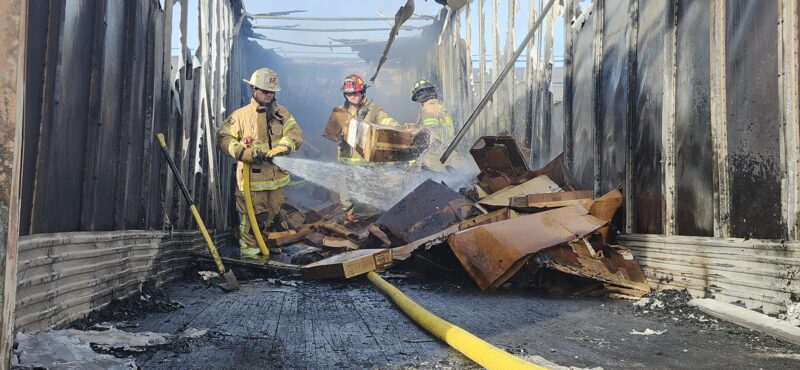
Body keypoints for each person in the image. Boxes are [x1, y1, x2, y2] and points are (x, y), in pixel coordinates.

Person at [216, 68, 303, 258]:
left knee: (273, 214)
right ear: (253, 89)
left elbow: (295, 133)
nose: (269, 95)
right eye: (265, 91)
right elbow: (223, 138)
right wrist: (243, 152)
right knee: (252, 216)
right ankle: (250, 253)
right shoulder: (240, 115)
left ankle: (268, 245)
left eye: (272, 92)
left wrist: (284, 147)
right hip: (251, 180)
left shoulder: (282, 113)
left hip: (276, 178)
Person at [336, 73, 400, 220]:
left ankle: (368, 225)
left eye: (355, 93)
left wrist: (397, 129)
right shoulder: (340, 111)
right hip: (346, 163)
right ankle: (353, 217)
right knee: (346, 199)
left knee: (365, 203)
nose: (351, 96)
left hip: (367, 164)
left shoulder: (373, 110)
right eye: (348, 94)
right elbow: (334, 133)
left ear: (363, 92)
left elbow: (389, 122)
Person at [411, 79, 455, 145]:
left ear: (418, 98)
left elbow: (431, 134)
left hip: (438, 151)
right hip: (447, 148)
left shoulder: (429, 109)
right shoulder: (438, 106)